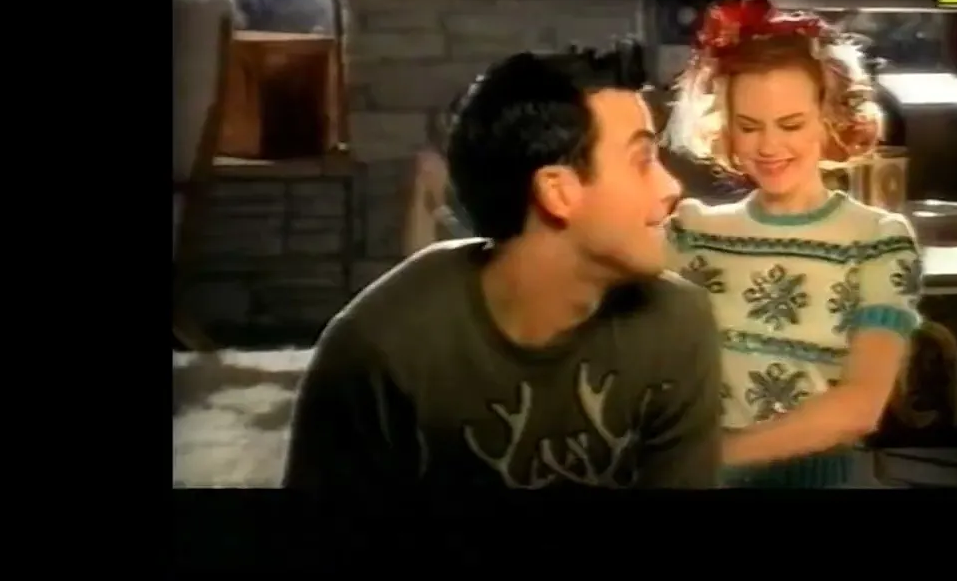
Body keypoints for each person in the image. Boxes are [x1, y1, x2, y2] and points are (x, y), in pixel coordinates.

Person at [284, 42, 723, 490]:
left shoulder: (679, 325)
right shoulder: (379, 349)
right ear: (558, 192)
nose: (672, 187)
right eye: (642, 160)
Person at [663, 0, 923, 488]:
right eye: (749, 126)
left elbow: (861, 406)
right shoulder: (693, 231)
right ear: (726, 127)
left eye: (791, 124)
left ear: (830, 119)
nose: (768, 146)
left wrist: (716, 457)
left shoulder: (878, 239)